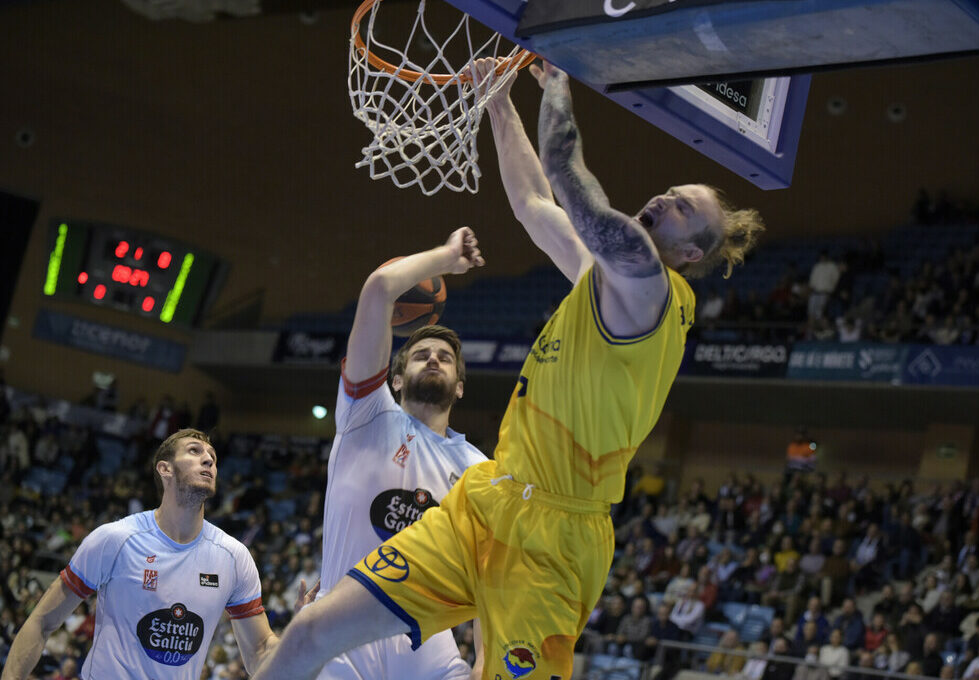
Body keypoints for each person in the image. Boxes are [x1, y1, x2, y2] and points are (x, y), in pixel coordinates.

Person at [253, 58, 763, 680]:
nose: (665, 198)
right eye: (671, 191)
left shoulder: (653, 289)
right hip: (491, 499)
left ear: (688, 253)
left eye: (683, 208)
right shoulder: (601, 276)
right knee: (307, 631)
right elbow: (531, 201)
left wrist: (557, 88)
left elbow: (569, 181)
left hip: (556, 539)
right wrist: (495, 100)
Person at [2, 429, 315, 680]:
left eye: (213, 457)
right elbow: (41, 622)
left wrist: (297, 633)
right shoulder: (115, 539)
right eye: (195, 451)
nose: (208, 460)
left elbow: (259, 654)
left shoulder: (233, 557)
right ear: (165, 468)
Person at [313, 233, 488, 680]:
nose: (433, 360)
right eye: (420, 355)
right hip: (342, 619)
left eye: (445, 358)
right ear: (394, 379)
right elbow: (379, 289)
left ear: (460, 386)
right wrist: (448, 258)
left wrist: (485, 661)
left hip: (424, 632)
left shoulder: (481, 471)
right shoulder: (366, 414)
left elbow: (493, 577)